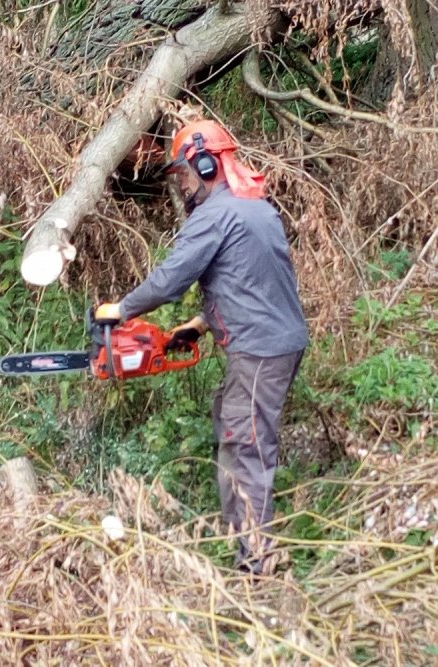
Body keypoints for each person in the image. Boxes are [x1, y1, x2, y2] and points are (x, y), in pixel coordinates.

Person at [97, 120, 309, 574]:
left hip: (261, 350)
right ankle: (250, 545)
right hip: (277, 344)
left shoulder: (216, 215)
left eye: (185, 174)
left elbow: (172, 279)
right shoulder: (257, 208)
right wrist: (199, 324)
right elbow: (251, 284)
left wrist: (123, 309)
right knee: (231, 421)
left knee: (244, 447)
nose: (184, 185)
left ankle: (258, 565)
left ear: (206, 163)